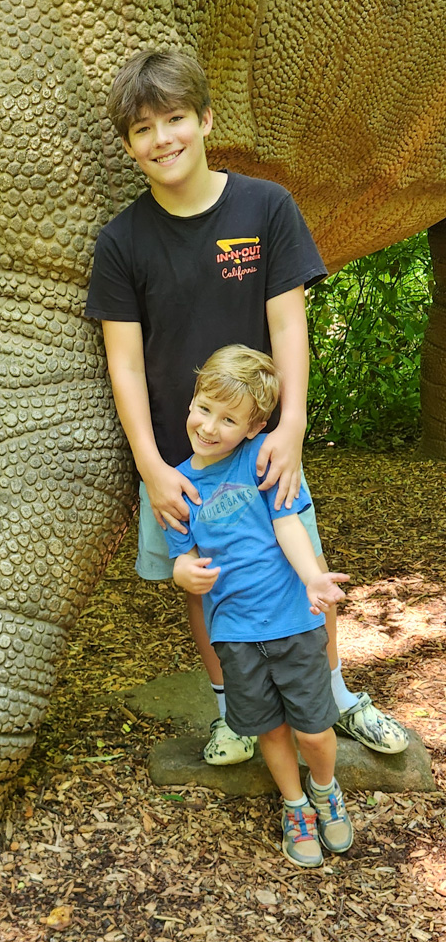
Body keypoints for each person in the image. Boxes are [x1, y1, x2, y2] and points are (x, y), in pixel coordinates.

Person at [85, 49, 408, 762]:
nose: (162, 139)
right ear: (130, 145)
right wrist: (151, 466)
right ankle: (233, 711)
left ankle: (335, 699)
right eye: (142, 129)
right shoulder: (122, 242)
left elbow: (289, 325)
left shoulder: (265, 207)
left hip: (263, 447)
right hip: (182, 458)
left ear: (205, 120)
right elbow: (124, 363)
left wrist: (290, 427)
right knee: (205, 584)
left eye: (174, 119)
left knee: (301, 565)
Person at [164, 344, 353, 867]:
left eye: (228, 419)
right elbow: (182, 554)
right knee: (270, 728)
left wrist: (312, 577)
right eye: (205, 408)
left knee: (314, 730)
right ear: (192, 400)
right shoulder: (177, 484)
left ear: (254, 426)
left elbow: (287, 523)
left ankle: (325, 790)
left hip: (292, 623)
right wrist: (183, 572)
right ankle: (295, 806)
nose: (209, 426)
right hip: (236, 633)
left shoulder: (264, 458)